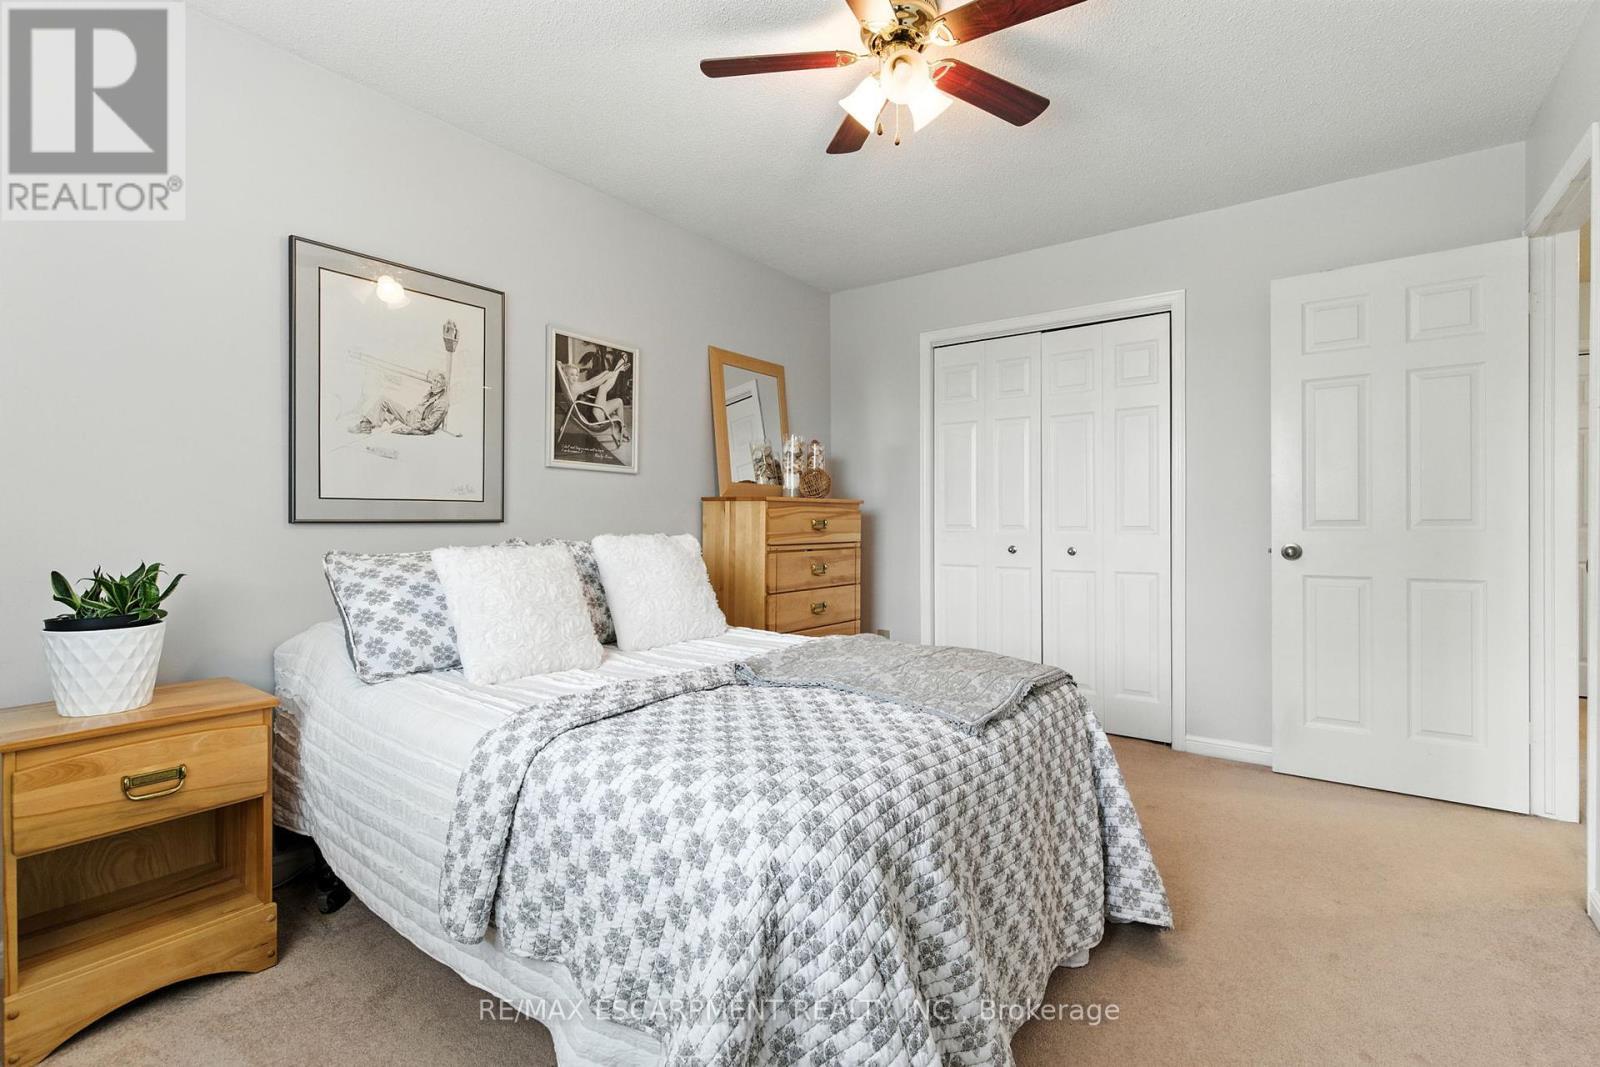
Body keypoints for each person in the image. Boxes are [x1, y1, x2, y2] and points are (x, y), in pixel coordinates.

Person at [349, 370, 450, 436]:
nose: (434, 384)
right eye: (434, 381)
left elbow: (429, 425)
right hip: (411, 415)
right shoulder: (433, 392)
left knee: (384, 400)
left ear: (443, 386)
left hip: (414, 422)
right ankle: (366, 424)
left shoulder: (442, 403)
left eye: (438, 382)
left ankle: (365, 425)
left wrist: (410, 430)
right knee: (384, 411)